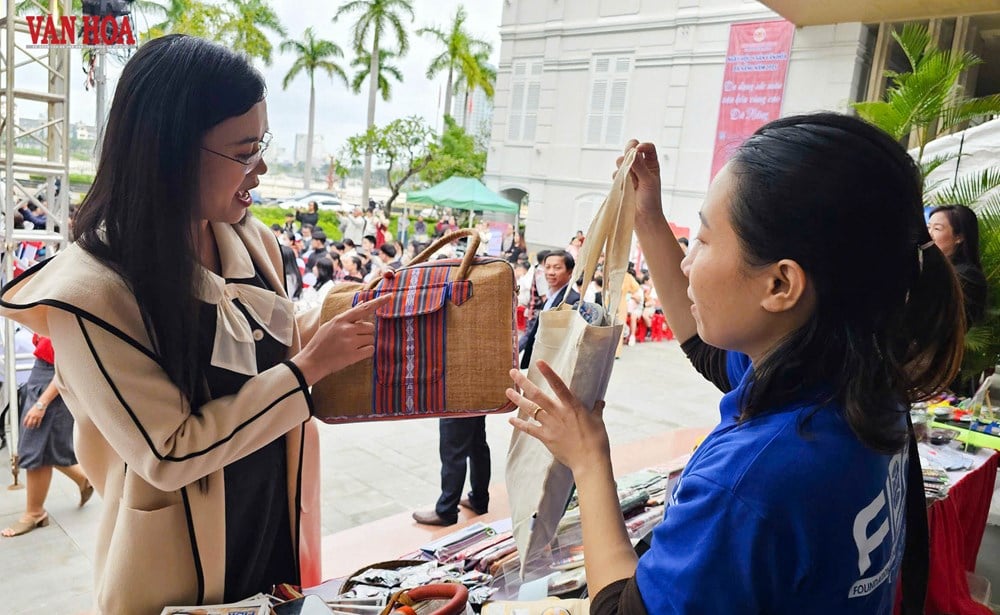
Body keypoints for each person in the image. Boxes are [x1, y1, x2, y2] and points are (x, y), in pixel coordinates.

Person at [505, 114, 963, 614]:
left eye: (701, 240)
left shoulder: (750, 484)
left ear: (781, 285)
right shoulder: (853, 384)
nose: (686, 261)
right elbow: (706, 349)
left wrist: (588, 459)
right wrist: (648, 219)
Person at [0, 35, 390, 614]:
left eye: (263, 145)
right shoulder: (92, 292)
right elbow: (169, 451)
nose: (260, 169)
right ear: (171, 151)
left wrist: (344, 315)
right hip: (180, 564)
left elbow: (269, 341)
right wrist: (310, 369)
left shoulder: (249, 240)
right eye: (244, 151)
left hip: (270, 527)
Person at [2, 335, 93, 538]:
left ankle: (34, 513)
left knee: (36, 448)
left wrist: (42, 403)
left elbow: (67, 365)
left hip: (54, 378)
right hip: (43, 373)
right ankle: (84, 479)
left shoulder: (63, 311)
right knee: (42, 446)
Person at [412, 414, 491, 527]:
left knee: (453, 449)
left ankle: (446, 511)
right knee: (477, 443)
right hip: (480, 398)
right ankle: (479, 499)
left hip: (459, 399)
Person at [927, 204, 987, 328]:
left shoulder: (968, 276)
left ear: (959, 237)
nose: (929, 234)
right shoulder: (931, 267)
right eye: (928, 227)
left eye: (937, 229)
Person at [519, 250, 579, 368]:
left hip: (553, 365)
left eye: (557, 268)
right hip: (539, 359)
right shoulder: (550, 297)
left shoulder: (572, 301)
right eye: (547, 267)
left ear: (570, 272)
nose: (551, 272)